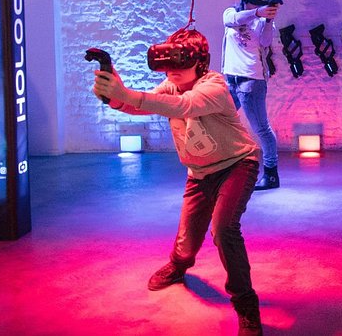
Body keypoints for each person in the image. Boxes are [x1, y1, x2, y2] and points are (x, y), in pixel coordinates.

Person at [93, 28, 264, 336]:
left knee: (224, 229)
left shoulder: (214, 85)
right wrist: (114, 94)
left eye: (180, 60)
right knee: (186, 241)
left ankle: (247, 306)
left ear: (200, 62)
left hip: (236, 165)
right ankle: (179, 265)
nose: (172, 68)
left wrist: (125, 94)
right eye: (167, 61)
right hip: (198, 173)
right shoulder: (171, 86)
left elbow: (184, 106)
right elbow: (144, 105)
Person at [223, 0, 281, 190]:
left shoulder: (261, 20)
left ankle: (271, 175)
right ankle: (226, 166)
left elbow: (265, 42)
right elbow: (230, 21)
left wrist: (268, 20)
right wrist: (257, 13)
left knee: (262, 129)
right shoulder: (232, 12)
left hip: (251, 80)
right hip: (231, 78)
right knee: (221, 121)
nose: (259, 3)